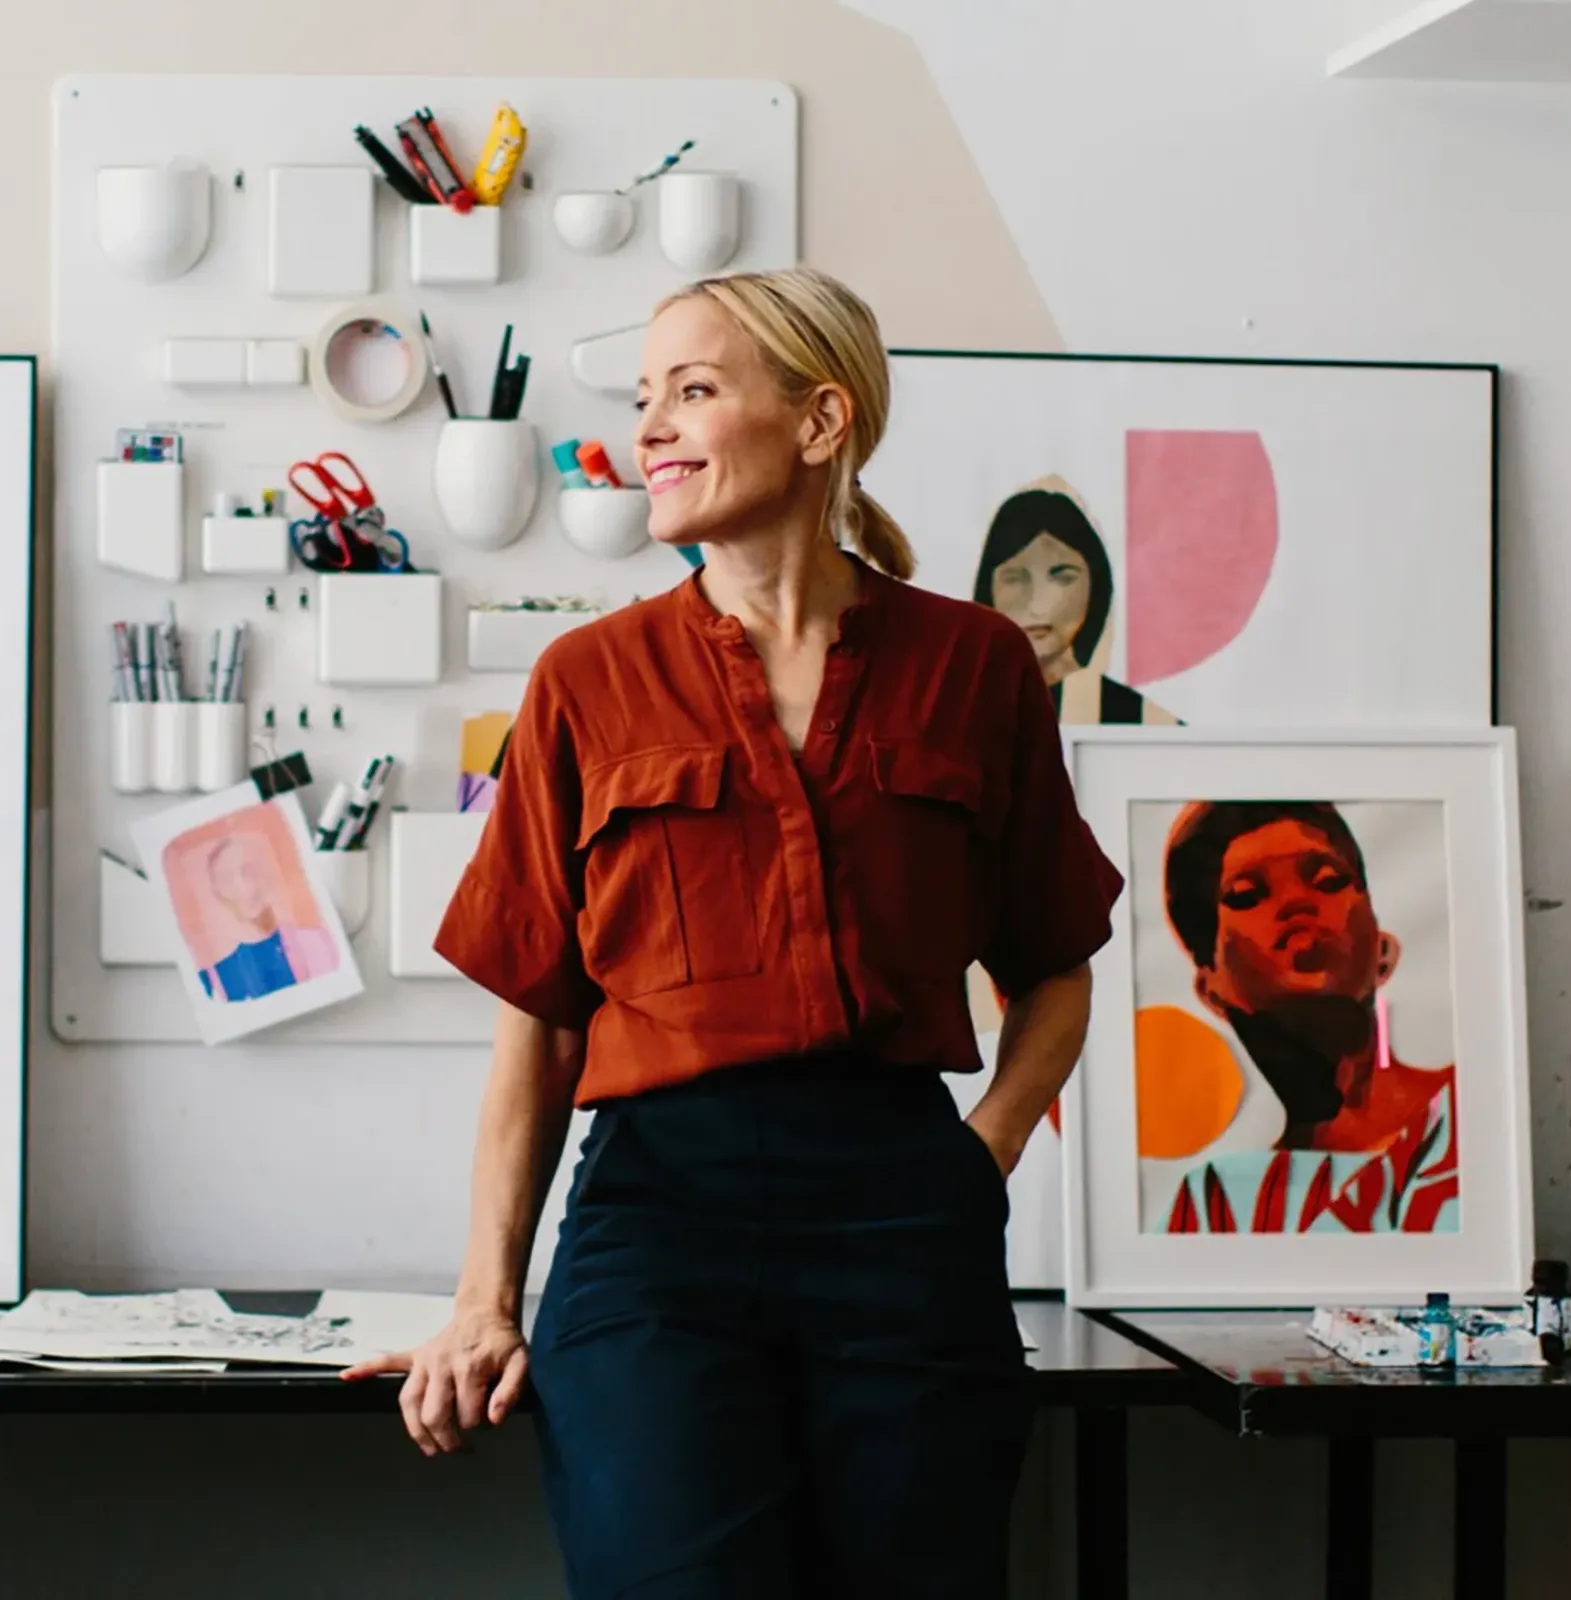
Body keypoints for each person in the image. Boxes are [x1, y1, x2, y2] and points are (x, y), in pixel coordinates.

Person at [342, 266, 1122, 1598]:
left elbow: (1055, 970)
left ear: (822, 422)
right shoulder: (588, 680)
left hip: (901, 1217)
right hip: (660, 1225)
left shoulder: (979, 665)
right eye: (645, 397)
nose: (648, 428)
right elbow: (536, 1024)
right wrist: (484, 1301)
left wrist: (972, 1167)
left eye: (693, 391)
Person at [1157, 801, 1458, 1234]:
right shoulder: (1214, 1206)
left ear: (1383, 950)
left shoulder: (1477, 1116)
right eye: (1247, 895)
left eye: (1328, 881)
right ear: (1212, 991)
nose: (1297, 902)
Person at [973, 478, 1177, 726]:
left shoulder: (1144, 721)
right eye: (1015, 578)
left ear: (1095, 588)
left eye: (1062, 577)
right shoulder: (957, 709)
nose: (1038, 605)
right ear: (988, 588)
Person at [194, 832, 338, 1003]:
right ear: (218, 892)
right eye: (227, 878)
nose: (244, 885)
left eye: (249, 870)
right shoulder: (214, 979)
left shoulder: (317, 941)